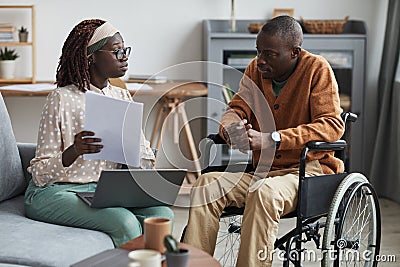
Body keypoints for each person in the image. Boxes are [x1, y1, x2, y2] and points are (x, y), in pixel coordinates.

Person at [183, 16, 344, 267]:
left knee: (263, 192)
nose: (261, 60)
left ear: (294, 53)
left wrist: (273, 139)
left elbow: (332, 126)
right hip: (263, 173)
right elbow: (235, 109)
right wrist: (231, 129)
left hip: (307, 173)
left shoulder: (317, 69)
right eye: (258, 52)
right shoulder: (255, 71)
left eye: (269, 54)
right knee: (207, 185)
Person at [24, 19, 174, 247]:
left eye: (125, 50)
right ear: (92, 56)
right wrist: (74, 150)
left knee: (163, 215)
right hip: (55, 192)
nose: (124, 57)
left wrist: (135, 152)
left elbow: (144, 162)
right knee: (123, 221)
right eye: (116, 52)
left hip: (104, 189)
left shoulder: (122, 97)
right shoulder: (61, 99)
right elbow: (40, 174)